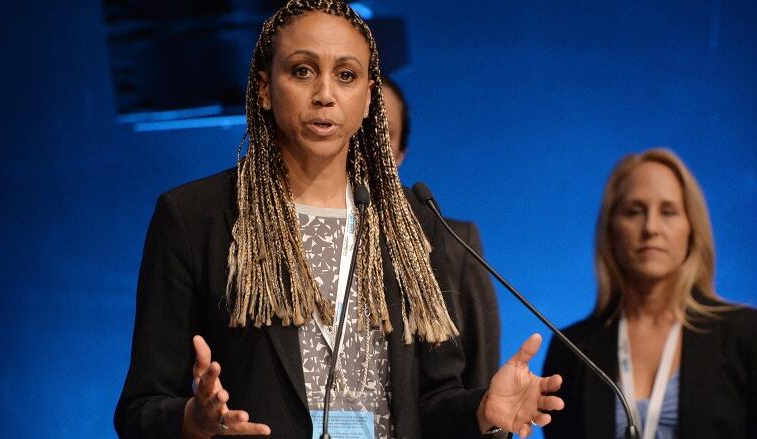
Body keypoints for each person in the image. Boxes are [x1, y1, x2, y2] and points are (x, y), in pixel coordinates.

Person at [114, 2, 564, 438]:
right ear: (265, 88)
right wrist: (192, 421)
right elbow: (141, 408)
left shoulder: (413, 226)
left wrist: (482, 410)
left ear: (368, 98)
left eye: (346, 75)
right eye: (302, 71)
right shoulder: (196, 217)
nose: (325, 94)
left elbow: (431, 401)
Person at [542, 148, 757, 439]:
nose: (651, 228)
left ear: (692, 229)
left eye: (668, 211)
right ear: (611, 230)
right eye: (634, 211)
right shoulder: (572, 349)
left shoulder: (745, 334)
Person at [381, 75, 501, 389]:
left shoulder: (455, 245)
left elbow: (479, 384)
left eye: (383, 135)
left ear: (400, 154)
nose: (368, 146)